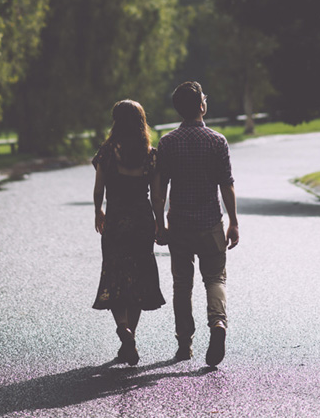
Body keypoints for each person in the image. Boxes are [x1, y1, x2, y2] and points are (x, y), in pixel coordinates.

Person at [152, 81, 239, 367]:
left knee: (182, 285)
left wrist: (159, 223)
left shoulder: (167, 142)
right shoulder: (217, 141)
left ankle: (184, 344)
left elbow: (159, 187)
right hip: (211, 223)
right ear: (201, 106)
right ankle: (218, 324)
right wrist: (234, 222)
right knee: (215, 278)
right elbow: (226, 185)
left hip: (179, 225)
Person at [92, 99, 165, 365]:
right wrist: (160, 223)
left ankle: (122, 327)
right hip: (142, 220)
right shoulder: (151, 153)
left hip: (116, 221)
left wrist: (98, 210)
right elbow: (157, 197)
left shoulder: (108, 152)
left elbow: (99, 188)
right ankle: (131, 334)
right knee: (139, 276)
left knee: (115, 273)